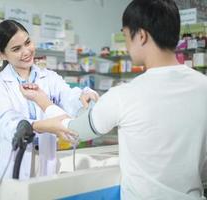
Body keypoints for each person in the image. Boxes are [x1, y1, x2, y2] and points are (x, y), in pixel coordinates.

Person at [20, 0, 207, 199]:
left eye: (125, 36)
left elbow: (76, 130)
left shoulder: (124, 95)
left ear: (141, 36)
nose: (126, 45)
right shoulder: (203, 86)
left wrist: (43, 102)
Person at [0, 19, 98, 180]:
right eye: (17, 49)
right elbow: (6, 122)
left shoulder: (49, 77)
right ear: (2, 54)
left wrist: (82, 96)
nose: (26, 51)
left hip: (46, 159)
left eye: (28, 42)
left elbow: (67, 96)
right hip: (13, 162)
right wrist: (41, 126)